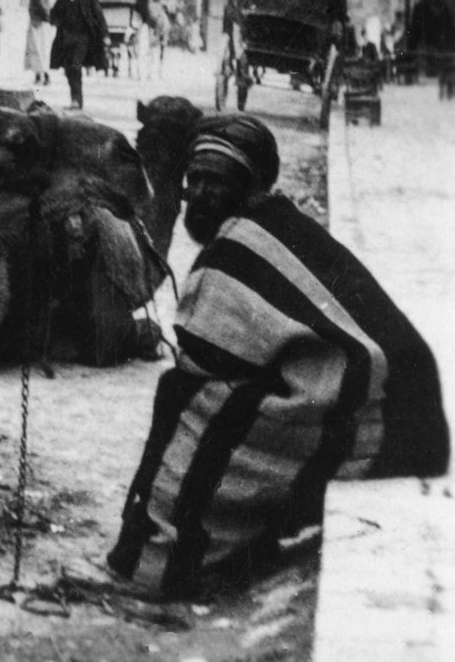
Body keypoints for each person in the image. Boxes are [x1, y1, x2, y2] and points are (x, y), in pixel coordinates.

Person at [107, 114, 449, 600]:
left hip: (385, 426)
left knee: (184, 399)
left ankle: (165, 555)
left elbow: (200, 360)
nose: (199, 193)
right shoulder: (285, 225)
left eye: (215, 182)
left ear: (248, 187)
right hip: (411, 419)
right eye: (194, 180)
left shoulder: (236, 245)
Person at [49, 0, 109, 108]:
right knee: (69, 70)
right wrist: (55, 20)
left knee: (75, 66)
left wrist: (105, 35)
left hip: (83, 39)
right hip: (65, 39)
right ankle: (75, 100)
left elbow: (99, 17)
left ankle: (77, 101)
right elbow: (54, 13)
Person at [24, 0, 51, 86]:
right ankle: (38, 75)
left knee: (39, 50)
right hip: (36, 23)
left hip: (38, 24)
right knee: (35, 50)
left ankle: (45, 76)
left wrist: (45, 20)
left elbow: (44, 8)